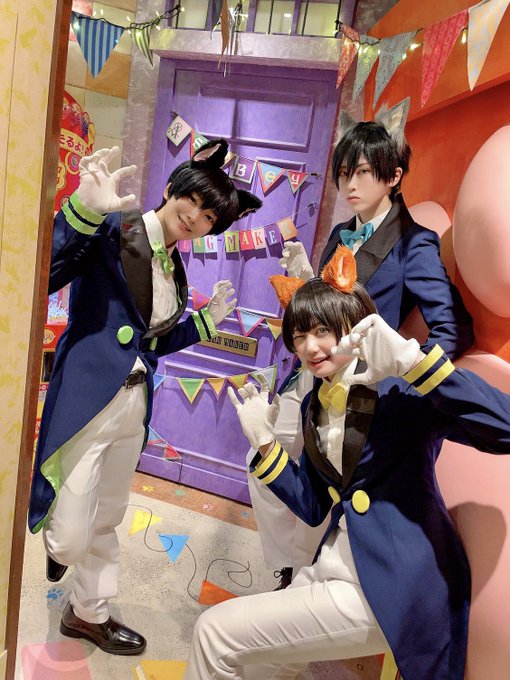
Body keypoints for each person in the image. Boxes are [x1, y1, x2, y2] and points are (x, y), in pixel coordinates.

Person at [186, 246, 510, 680]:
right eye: (298, 335)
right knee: (263, 666)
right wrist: (265, 444)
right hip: (333, 563)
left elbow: (504, 428)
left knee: (213, 632)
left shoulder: (399, 392)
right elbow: (313, 504)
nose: (309, 346)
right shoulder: (314, 404)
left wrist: (415, 363)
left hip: (391, 584)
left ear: (354, 325)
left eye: (321, 330)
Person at [29, 140, 261, 655]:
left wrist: (205, 323)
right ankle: (62, 544)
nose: (195, 217)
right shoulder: (116, 226)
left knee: (108, 516)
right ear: (172, 187)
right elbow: (43, 274)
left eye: (209, 217)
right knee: (68, 536)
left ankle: (88, 613)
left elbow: (152, 342)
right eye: (193, 201)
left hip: (134, 405)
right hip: (89, 396)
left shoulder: (177, 271)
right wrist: (82, 212)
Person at [247, 99, 474, 586]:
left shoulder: (414, 242)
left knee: (322, 481)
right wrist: (305, 284)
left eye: (365, 172)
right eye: (345, 172)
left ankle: (300, 573)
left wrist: (406, 384)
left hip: (361, 389)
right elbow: (326, 306)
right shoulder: (339, 232)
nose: (351, 184)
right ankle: (290, 564)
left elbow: (453, 328)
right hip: (310, 374)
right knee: (264, 461)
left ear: (393, 176)